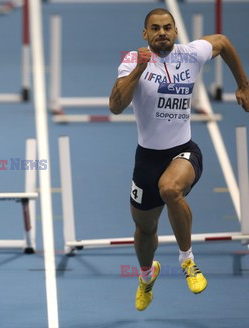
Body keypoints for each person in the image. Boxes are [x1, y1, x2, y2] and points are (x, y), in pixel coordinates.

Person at [109, 8, 249, 311]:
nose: (162, 33)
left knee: (170, 190)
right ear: (145, 34)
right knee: (144, 230)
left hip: (183, 152)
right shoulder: (133, 60)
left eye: (168, 27)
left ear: (175, 31)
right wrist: (138, 70)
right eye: (155, 28)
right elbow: (115, 106)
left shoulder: (191, 54)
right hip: (147, 158)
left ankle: (188, 261)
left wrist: (243, 84)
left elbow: (223, 42)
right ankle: (147, 276)